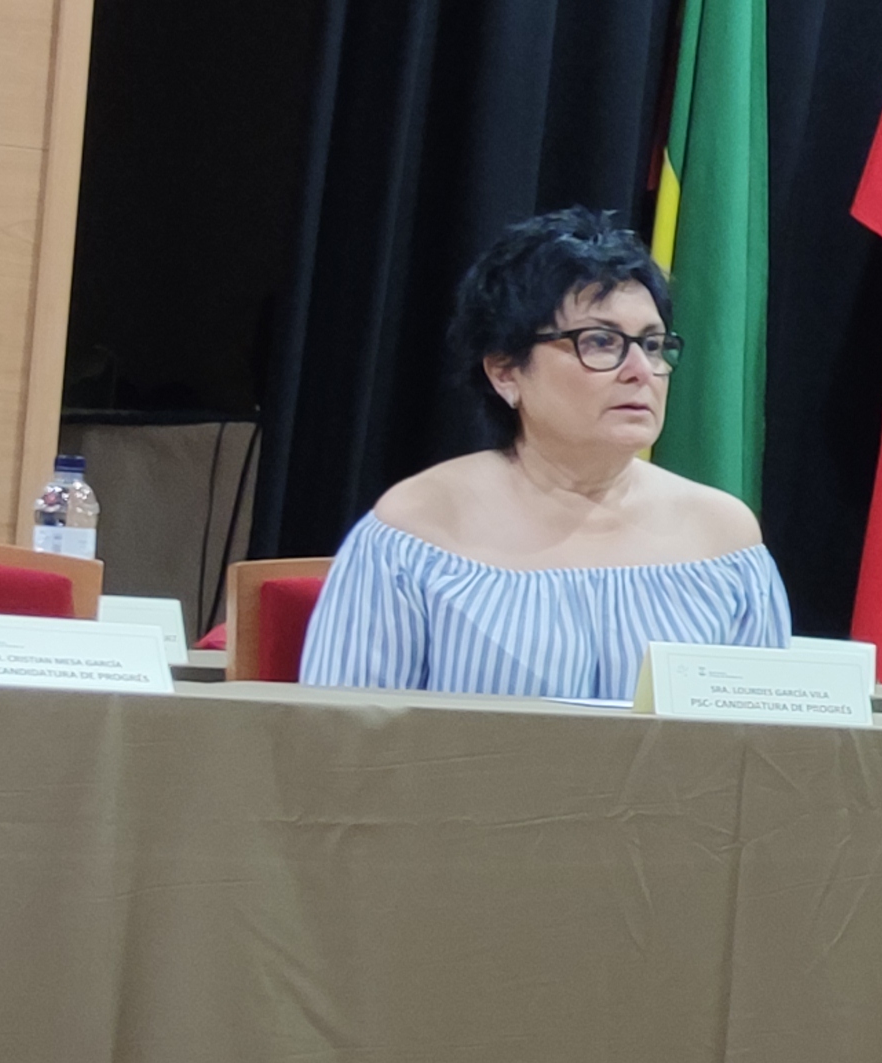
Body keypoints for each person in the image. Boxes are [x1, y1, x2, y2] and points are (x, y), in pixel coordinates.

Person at [296, 207, 792, 701]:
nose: (640, 369)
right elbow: (338, 746)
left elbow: (766, 751)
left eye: (653, 344)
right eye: (601, 342)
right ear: (505, 372)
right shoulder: (414, 532)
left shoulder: (725, 539)